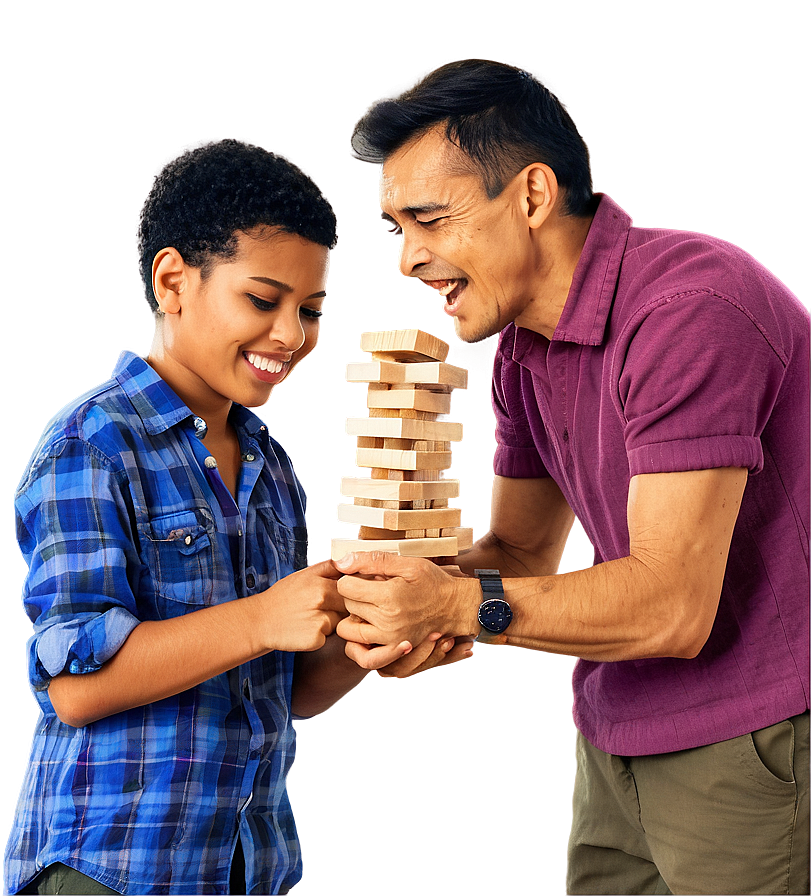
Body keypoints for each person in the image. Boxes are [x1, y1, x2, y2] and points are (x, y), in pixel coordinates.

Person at [336, 59, 810, 894]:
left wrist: (454, 607)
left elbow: (672, 606)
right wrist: (394, 596)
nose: (409, 259)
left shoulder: (689, 313)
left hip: (758, 740)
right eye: (396, 228)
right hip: (615, 741)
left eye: (430, 220)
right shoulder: (522, 351)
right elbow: (518, 552)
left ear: (530, 196)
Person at [3, 140, 375, 895]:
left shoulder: (271, 465)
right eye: (263, 301)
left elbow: (289, 688)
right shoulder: (94, 448)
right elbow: (77, 687)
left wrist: (364, 644)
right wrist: (264, 618)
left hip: (244, 867)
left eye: (310, 311)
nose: (292, 335)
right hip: (114, 870)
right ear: (173, 281)